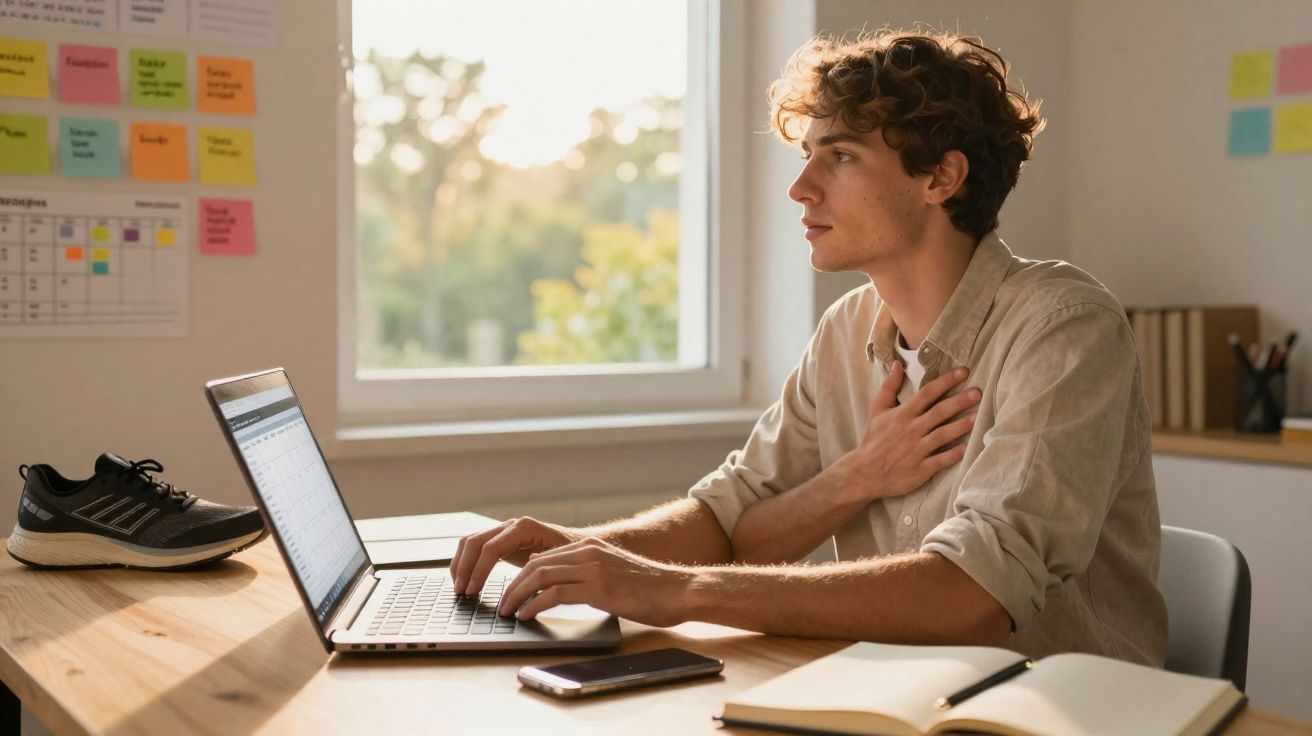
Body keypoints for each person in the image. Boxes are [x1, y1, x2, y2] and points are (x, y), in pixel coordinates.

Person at [451, 28, 1167, 665]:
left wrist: (680, 590)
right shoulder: (847, 330)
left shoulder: (1065, 329)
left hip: (1056, 714)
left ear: (941, 177)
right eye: (807, 156)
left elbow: (975, 594)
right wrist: (580, 551)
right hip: (887, 697)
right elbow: (733, 521)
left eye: (842, 157)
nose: (801, 188)